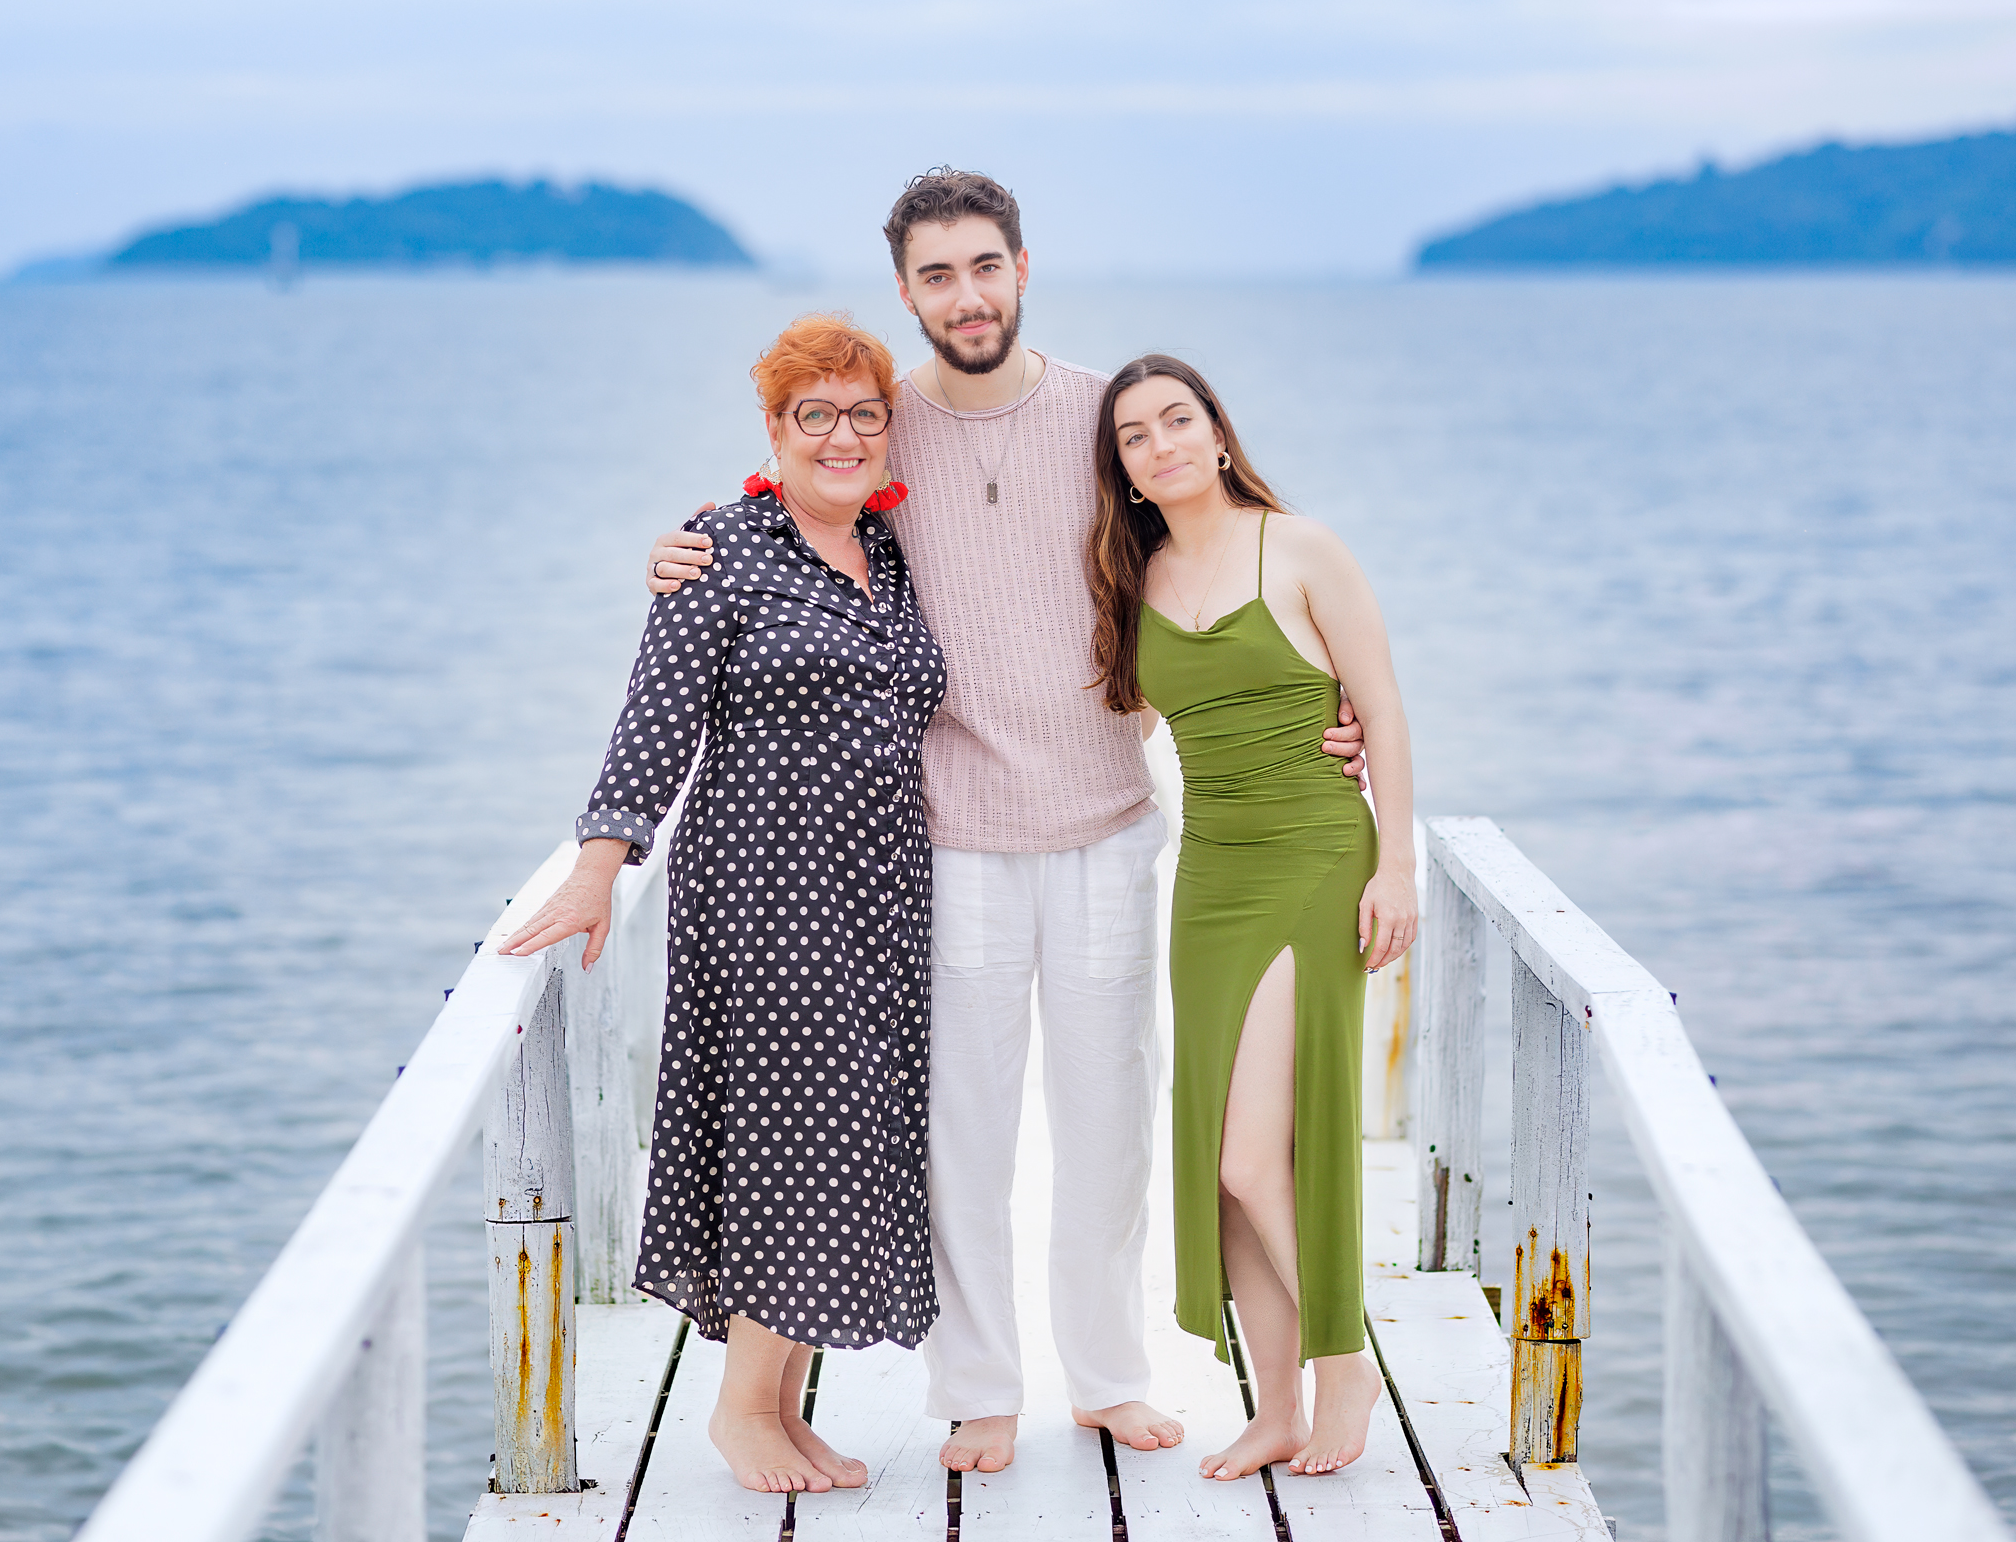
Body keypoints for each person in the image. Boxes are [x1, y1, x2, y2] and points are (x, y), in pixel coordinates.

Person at [644, 169, 1369, 1475]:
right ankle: (978, 1387)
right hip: (952, 836)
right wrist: (686, 539)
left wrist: (1326, 695)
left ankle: (1108, 1377)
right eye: (937, 275)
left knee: (1108, 1124)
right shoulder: (889, 426)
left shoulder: (1101, 416)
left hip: (1108, 822)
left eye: (984, 266)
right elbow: (799, 487)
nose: (965, 295)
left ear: (1022, 268)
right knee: (965, 1136)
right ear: (907, 290)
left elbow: (1222, 538)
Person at [500, 314, 947, 1495]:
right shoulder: (722, 548)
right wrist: (600, 861)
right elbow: (656, 717)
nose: (842, 435)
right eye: (815, 414)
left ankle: (783, 1405)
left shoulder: (891, 551)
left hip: (881, 899)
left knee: (845, 1136)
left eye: (863, 413)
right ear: (775, 428)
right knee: (793, 1138)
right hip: (766, 892)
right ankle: (743, 1409)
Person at [1087, 353, 1418, 1479]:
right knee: (1226, 1158)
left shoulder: (1302, 547)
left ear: (1217, 432)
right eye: (1134, 435)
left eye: (1177, 419)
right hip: (1211, 874)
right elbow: (1112, 724)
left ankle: (1346, 1358)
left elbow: (1381, 708)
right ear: (1124, 469)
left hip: (1314, 857)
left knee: (1246, 1157)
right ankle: (1277, 1408)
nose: (1161, 444)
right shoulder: (1131, 580)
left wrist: (1398, 866)